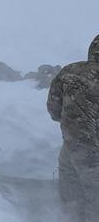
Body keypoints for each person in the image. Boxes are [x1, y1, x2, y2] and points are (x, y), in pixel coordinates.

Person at [47, 35, 99, 222]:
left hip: (70, 146)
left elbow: (54, 109)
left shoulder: (70, 71)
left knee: (71, 196)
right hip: (94, 150)